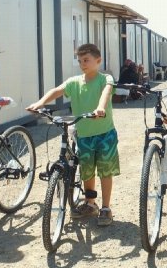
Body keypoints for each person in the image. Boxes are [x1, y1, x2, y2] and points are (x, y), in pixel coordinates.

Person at [26, 43, 118, 225]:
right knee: (87, 170)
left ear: (98, 61)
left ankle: (106, 207)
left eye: (87, 60)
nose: (83, 64)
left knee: (105, 171)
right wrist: (40, 103)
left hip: (105, 132)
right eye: (80, 61)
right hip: (83, 134)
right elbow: (57, 90)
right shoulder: (74, 81)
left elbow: (106, 93)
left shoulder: (105, 79)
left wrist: (100, 107)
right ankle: (90, 203)